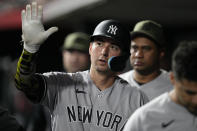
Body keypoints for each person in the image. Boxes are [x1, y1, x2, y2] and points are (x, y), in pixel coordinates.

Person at [14, 2, 148, 131]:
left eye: (113, 47)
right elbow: (23, 84)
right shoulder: (61, 82)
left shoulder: (135, 98)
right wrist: (29, 50)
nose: (104, 52)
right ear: (90, 48)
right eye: (99, 44)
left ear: (123, 56)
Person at [123, 40, 197, 131]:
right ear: (173, 78)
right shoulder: (144, 119)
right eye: (190, 93)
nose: (196, 101)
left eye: (146, 48)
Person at [119, 20, 172, 100]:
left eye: (146, 49)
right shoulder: (116, 83)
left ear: (161, 53)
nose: (138, 55)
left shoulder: (174, 87)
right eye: (134, 48)